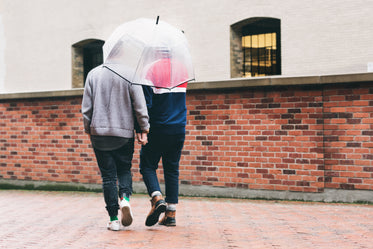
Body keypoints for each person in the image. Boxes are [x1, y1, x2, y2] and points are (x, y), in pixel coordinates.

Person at [82, 65, 150, 231]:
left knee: (108, 177)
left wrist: (88, 129)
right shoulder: (130, 73)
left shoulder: (93, 74)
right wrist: (144, 128)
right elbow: (140, 105)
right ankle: (125, 198)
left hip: (99, 133)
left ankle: (113, 219)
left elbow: (86, 109)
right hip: (124, 134)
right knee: (124, 170)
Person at [140, 50, 189, 227]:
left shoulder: (150, 69)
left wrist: (142, 128)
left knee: (147, 165)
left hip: (158, 127)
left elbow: (146, 104)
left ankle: (156, 197)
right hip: (178, 127)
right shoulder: (182, 69)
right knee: (172, 169)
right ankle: (171, 214)